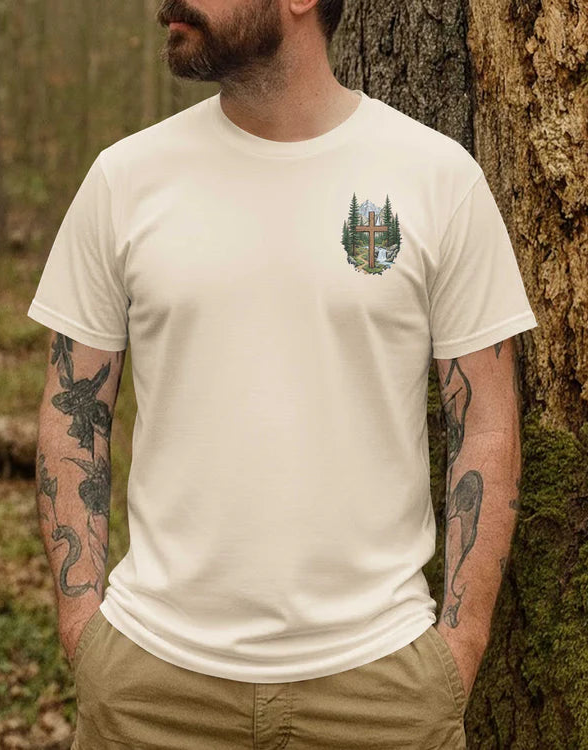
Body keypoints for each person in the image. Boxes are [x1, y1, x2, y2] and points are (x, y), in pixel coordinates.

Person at [27, 0, 539, 747]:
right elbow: (74, 410)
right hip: (151, 689)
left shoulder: (437, 178)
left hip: (381, 692)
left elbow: (487, 424)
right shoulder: (125, 179)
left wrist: (455, 656)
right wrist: (86, 630)